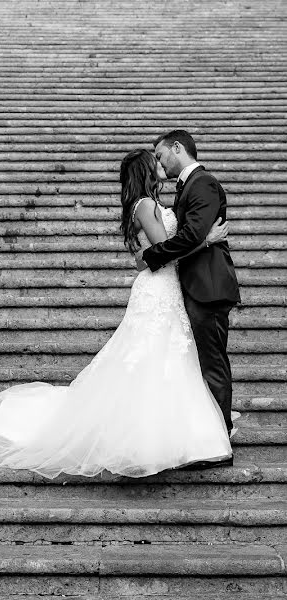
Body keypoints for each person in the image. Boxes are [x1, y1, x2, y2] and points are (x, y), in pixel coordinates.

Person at [0, 149, 233, 478]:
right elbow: (166, 252)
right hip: (159, 289)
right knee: (152, 358)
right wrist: (206, 240)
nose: (161, 164)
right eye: (156, 162)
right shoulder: (148, 205)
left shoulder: (143, 205)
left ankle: (171, 431)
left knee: (162, 359)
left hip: (163, 288)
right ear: (146, 172)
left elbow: (147, 255)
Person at [141, 130, 242, 447]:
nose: (158, 161)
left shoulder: (203, 183)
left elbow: (194, 234)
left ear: (177, 147)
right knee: (203, 362)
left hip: (208, 287)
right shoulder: (188, 186)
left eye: (160, 154)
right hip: (197, 284)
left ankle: (220, 439)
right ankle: (209, 434)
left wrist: (152, 256)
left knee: (212, 363)